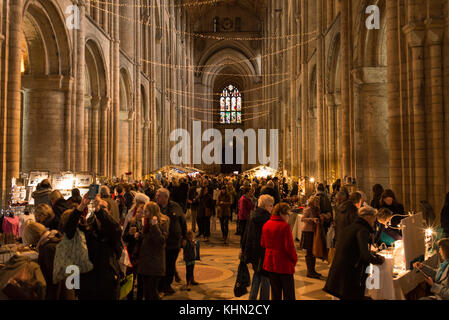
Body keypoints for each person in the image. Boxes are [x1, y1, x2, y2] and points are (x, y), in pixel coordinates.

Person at [62, 194, 123, 300]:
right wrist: (81, 206)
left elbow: (115, 230)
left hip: (107, 284)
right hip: (87, 283)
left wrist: (99, 210)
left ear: (109, 212)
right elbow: (69, 231)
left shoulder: (113, 230)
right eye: (97, 206)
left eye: (103, 207)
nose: (99, 208)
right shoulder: (88, 229)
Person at [324, 206, 385, 300]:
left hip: (341, 270)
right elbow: (365, 254)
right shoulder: (362, 230)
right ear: (368, 217)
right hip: (351, 272)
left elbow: (355, 249)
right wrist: (378, 260)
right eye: (374, 218)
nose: (374, 221)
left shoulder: (351, 227)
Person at [22, 222, 74, 300]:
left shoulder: (48, 248)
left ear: (33, 237)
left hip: (60, 294)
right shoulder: (55, 240)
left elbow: (55, 280)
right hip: (68, 290)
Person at [261, 203, 298, 300]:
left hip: (270, 263)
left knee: (275, 293)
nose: (288, 216)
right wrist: (294, 259)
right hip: (284, 264)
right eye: (287, 214)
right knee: (289, 294)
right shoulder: (284, 226)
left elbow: (263, 243)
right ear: (281, 214)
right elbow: (289, 247)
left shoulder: (266, 224)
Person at [155, 188, 187, 296]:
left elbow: (183, 222)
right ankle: (160, 286)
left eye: (159, 195)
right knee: (160, 265)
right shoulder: (155, 207)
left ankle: (167, 285)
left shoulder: (175, 206)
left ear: (166, 197)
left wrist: (185, 237)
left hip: (174, 242)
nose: (156, 197)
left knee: (170, 265)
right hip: (159, 243)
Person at [242, 194, 274, 300]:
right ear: (265, 206)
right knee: (265, 279)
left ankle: (252, 298)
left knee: (257, 276)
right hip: (264, 253)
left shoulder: (252, 215)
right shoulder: (268, 219)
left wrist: (245, 253)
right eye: (270, 205)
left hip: (254, 252)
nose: (272, 208)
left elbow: (246, 235)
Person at [137, 202, 169, 300]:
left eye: (146, 211)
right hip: (145, 262)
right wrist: (139, 235)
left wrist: (155, 226)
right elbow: (147, 238)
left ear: (152, 211)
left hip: (155, 262)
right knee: (146, 291)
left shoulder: (163, 222)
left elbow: (161, 241)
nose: (143, 213)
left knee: (152, 291)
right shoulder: (146, 221)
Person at [122, 204, 145, 300]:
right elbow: (124, 237)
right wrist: (130, 234)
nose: (139, 214)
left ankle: (140, 297)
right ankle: (129, 297)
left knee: (141, 279)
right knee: (131, 277)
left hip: (143, 255)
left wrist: (140, 236)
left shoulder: (146, 225)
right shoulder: (132, 222)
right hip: (133, 254)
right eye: (138, 212)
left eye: (142, 212)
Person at [300, 195, 325, 279]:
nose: (317, 203)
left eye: (318, 201)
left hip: (314, 232)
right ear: (312, 201)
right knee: (309, 252)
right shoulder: (308, 209)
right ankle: (310, 271)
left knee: (313, 252)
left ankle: (313, 270)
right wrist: (312, 219)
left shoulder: (317, 210)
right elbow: (302, 219)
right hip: (308, 232)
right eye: (316, 201)